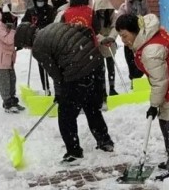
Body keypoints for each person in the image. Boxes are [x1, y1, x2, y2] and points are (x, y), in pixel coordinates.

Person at [116, 13, 169, 181]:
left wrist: (154, 105)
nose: (123, 40)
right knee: (166, 122)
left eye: (125, 36)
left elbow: (160, 81)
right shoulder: (149, 35)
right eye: (120, 36)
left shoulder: (150, 50)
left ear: (135, 31)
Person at [18, 21, 114, 164]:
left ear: (27, 40)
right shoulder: (52, 26)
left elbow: (55, 73)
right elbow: (82, 31)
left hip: (77, 71)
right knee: (91, 107)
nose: (27, 48)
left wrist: (60, 94)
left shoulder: (38, 47)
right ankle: (105, 141)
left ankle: (74, 152)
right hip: (95, 63)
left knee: (66, 115)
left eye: (25, 46)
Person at [0, 3, 24, 113]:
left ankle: (13, 101)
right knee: (5, 82)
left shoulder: (4, 23)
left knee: (12, 80)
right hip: (1, 59)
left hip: (8, 58)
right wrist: (14, 30)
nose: (13, 18)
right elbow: (8, 40)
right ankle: (7, 104)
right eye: (12, 15)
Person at [21, 0, 56, 95]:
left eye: (42, 0)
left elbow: (55, 23)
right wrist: (28, 37)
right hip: (37, 43)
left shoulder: (51, 10)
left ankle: (57, 86)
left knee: (54, 66)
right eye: (38, 0)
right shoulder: (31, 11)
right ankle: (46, 88)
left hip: (51, 42)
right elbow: (24, 25)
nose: (40, 3)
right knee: (42, 65)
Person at [117, 0, 150, 84]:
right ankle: (134, 81)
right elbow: (119, 24)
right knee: (132, 62)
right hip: (130, 42)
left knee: (144, 62)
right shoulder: (124, 9)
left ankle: (142, 82)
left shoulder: (145, 9)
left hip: (143, 41)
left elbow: (149, 20)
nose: (136, 1)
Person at [93, 0, 119, 98]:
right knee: (101, 69)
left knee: (110, 66)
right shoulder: (94, 16)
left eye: (104, 9)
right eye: (101, 10)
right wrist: (102, 39)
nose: (103, 12)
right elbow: (93, 30)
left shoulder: (112, 14)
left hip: (110, 43)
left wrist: (111, 37)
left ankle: (112, 88)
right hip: (100, 44)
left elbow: (115, 26)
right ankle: (103, 90)